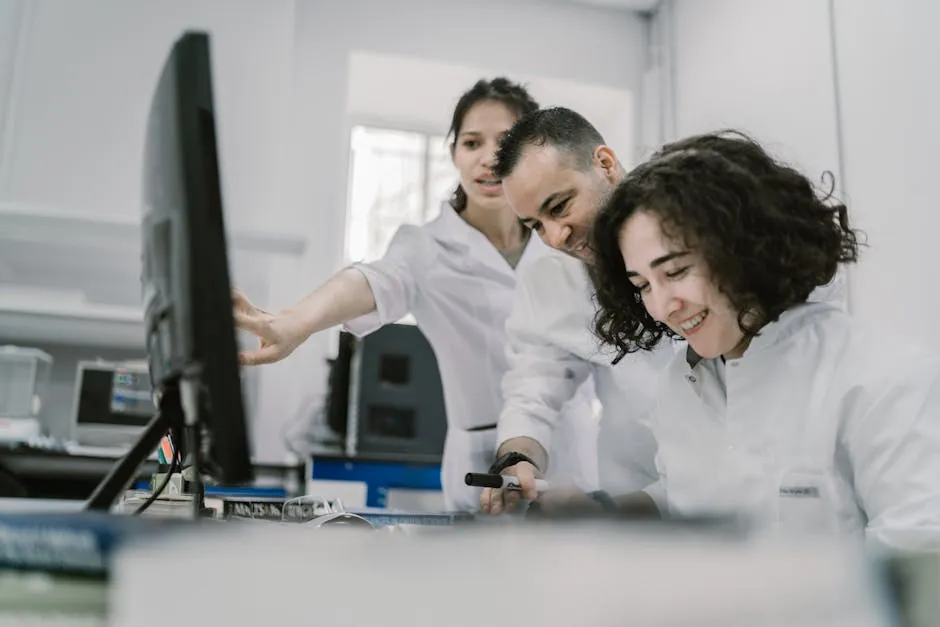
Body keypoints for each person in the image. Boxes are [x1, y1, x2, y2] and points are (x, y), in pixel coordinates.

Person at [232, 80, 598, 512]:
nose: (487, 157)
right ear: (453, 153)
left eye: (505, 141)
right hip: (482, 463)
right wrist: (298, 321)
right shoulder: (427, 247)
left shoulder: (565, 234)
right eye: (471, 142)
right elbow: (374, 280)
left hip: (576, 448)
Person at [480, 107, 845, 516]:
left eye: (561, 206)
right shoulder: (679, 385)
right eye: (641, 286)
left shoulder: (843, 375)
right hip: (656, 496)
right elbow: (533, 390)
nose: (555, 237)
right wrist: (522, 459)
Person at [586, 131, 940, 548]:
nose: (662, 308)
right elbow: (692, 491)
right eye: (642, 285)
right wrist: (601, 512)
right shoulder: (678, 384)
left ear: (744, 247)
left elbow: (918, 557)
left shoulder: (879, 377)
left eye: (676, 271)